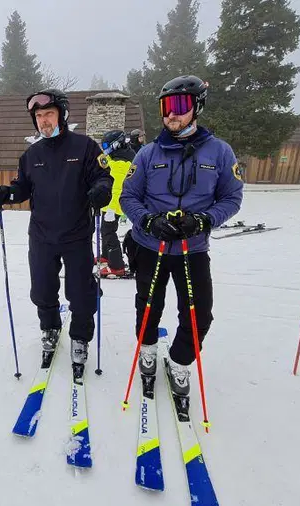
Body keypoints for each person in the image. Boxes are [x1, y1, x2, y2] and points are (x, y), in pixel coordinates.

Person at [119, 75, 243, 402]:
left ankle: (179, 360)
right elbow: (128, 196)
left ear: (196, 107)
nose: (171, 114)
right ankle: (147, 349)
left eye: (179, 106)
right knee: (148, 307)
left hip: (193, 249)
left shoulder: (219, 152)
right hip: (150, 246)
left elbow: (232, 198)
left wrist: (203, 220)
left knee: (199, 314)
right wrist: (148, 220)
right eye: (165, 107)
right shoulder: (147, 153)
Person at [0, 89, 113, 375]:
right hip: (42, 235)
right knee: (42, 290)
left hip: (77, 234)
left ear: (62, 115)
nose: (44, 121)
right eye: (39, 116)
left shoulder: (85, 147)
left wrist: (101, 190)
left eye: (49, 114)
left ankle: (80, 337)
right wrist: (6, 193)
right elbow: (22, 189)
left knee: (80, 293)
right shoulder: (31, 154)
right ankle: (50, 328)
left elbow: (102, 177)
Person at [97, 130, 135, 278]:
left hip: (114, 205)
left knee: (109, 232)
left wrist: (112, 209)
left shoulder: (122, 162)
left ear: (116, 144)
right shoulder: (116, 158)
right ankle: (106, 256)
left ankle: (116, 265)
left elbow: (117, 188)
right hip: (109, 204)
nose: (105, 148)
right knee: (104, 231)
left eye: (107, 145)